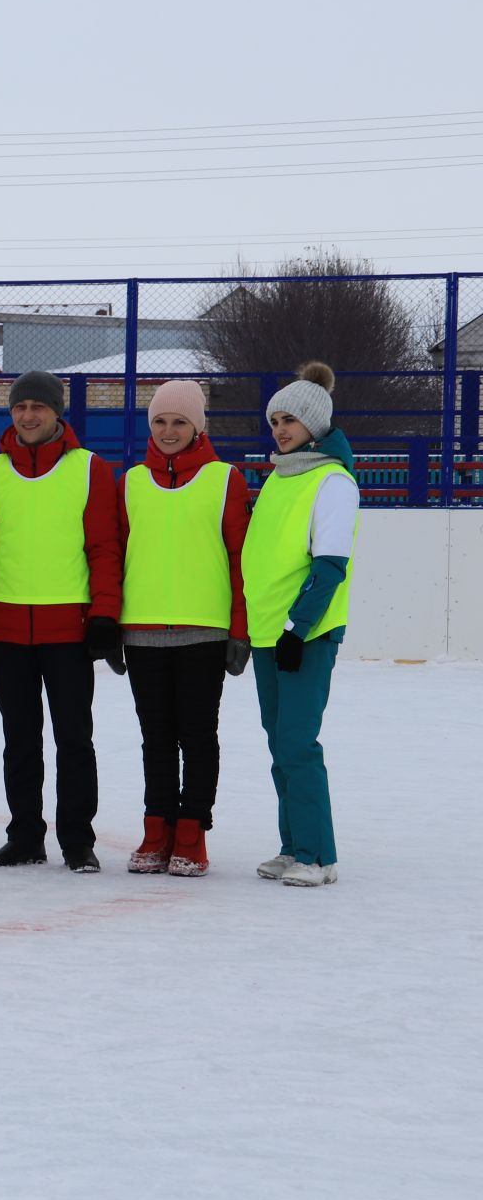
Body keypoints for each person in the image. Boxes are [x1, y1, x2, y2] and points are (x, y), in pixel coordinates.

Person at [0, 369, 123, 873]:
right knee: (19, 740)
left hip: (68, 628)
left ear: (56, 414)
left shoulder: (88, 469)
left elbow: (104, 548)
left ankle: (76, 840)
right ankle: (25, 835)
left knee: (74, 739)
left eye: (38, 408)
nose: (28, 416)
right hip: (5, 628)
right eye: (20, 408)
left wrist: (105, 615)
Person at [117, 379, 251, 876]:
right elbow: (113, 557)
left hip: (205, 630)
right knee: (155, 735)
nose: (169, 431)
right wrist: (111, 623)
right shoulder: (130, 482)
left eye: (180, 422)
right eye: (160, 421)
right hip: (144, 630)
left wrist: (240, 630)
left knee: (197, 734)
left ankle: (191, 833)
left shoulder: (225, 479)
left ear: (198, 427)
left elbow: (241, 561)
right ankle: (157, 829)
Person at [244, 363, 357, 889]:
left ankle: (318, 854)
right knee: (277, 744)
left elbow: (329, 565)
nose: (281, 430)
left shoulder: (332, 481)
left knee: (297, 744)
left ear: (316, 423)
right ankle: (293, 847)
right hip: (269, 632)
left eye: (290, 420)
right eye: (275, 421)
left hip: (303, 635)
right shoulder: (279, 477)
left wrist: (297, 628)